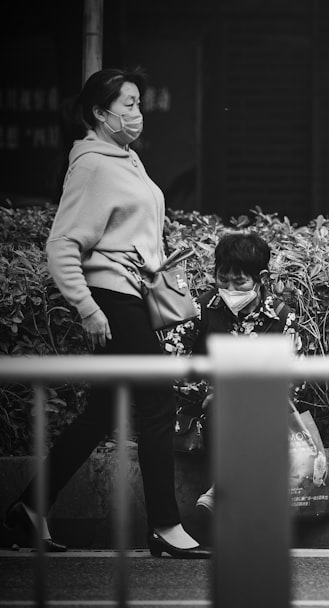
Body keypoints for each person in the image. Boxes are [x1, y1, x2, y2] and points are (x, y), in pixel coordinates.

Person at [0, 68, 209, 558]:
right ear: (100, 112)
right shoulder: (93, 164)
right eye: (128, 104)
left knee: (100, 413)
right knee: (157, 403)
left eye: (138, 103)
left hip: (130, 296)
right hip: (112, 301)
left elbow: (124, 231)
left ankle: (29, 510)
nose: (137, 113)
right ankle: (165, 526)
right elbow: (63, 243)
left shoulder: (126, 159)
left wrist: (153, 260)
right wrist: (88, 307)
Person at [161, 232, 305, 513]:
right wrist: (206, 391)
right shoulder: (200, 309)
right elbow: (170, 362)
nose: (229, 288)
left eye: (239, 282)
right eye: (222, 280)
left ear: (262, 278)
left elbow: (294, 381)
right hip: (206, 408)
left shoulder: (283, 316)